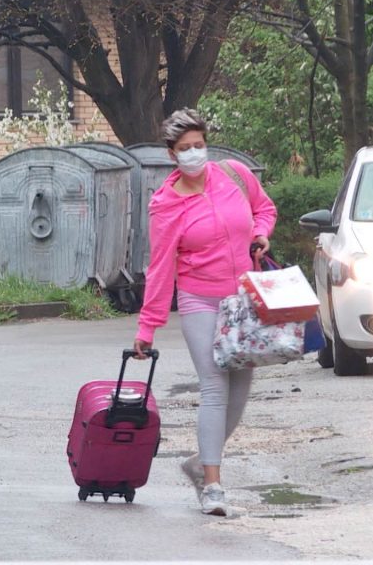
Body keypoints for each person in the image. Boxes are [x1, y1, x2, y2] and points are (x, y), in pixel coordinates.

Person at [131, 108, 278, 516]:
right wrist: (149, 326)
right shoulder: (165, 204)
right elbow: (160, 267)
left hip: (244, 301)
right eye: (184, 148)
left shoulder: (233, 175)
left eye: (199, 145)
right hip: (201, 301)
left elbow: (264, 208)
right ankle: (213, 486)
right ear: (172, 154)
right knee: (214, 388)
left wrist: (261, 232)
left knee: (240, 392)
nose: (194, 153)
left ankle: (198, 463)